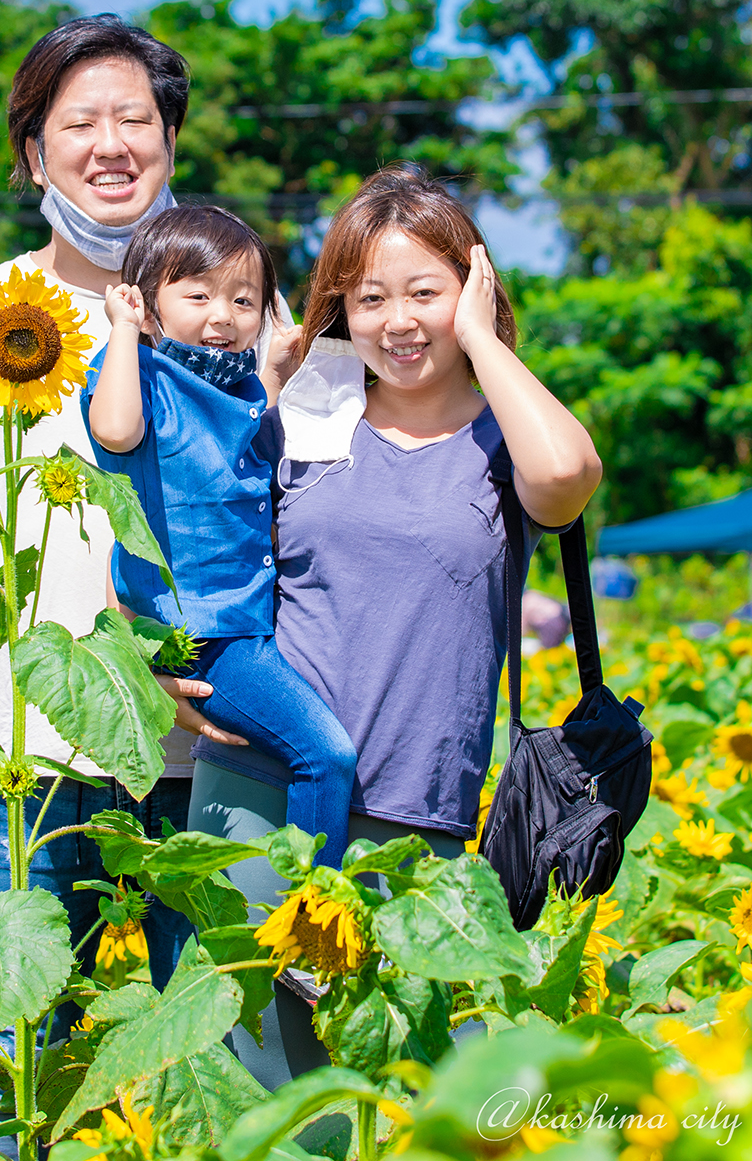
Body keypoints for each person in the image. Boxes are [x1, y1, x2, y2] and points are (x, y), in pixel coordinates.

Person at [184, 167, 603, 1087]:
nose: (397, 321)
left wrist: (486, 344)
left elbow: (569, 478)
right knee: (264, 1117)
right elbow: (184, 543)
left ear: (473, 292)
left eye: (426, 292)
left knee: (423, 1111)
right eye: (369, 297)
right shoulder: (303, 423)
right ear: (339, 307)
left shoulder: (504, 439)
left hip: (420, 827)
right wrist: (165, 679)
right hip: (261, 807)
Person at [0, 15, 259, 991]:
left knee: (222, 1039)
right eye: (79, 121)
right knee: (20, 1047)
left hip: (218, 744)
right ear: (34, 152)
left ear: (171, 142)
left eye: (134, 119)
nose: (111, 145)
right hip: (26, 758)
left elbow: (291, 512)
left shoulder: (240, 309)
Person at [83, 205, 358, 872]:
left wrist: (281, 370)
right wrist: (122, 332)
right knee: (327, 755)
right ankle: (316, 916)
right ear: (148, 304)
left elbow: (247, 443)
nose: (223, 315)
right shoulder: (139, 375)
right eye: (198, 294)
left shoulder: (233, 387)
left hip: (250, 622)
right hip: (206, 635)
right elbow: (116, 431)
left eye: (244, 300)